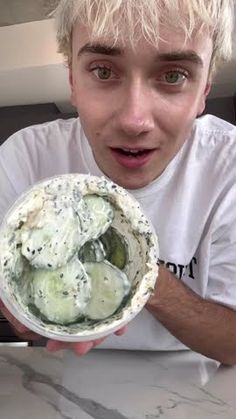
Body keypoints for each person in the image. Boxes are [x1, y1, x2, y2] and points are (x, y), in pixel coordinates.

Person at [0, 0, 236, 363]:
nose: (134, 120)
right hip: (55, 380)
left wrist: (142, 276)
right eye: (103, 71)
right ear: (72, 82)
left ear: (204, 90)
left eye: (173, 75)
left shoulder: (228, 166)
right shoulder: (24, 157)